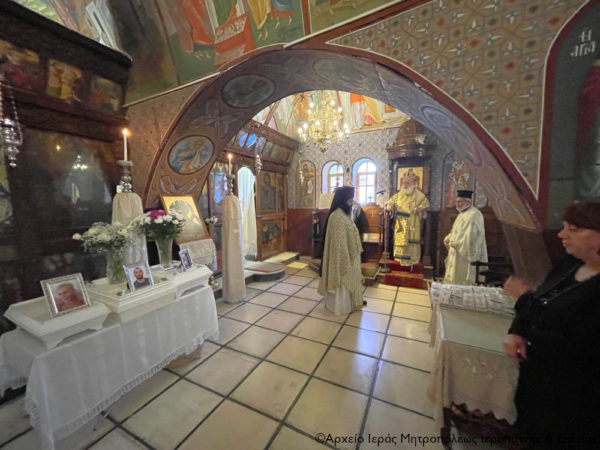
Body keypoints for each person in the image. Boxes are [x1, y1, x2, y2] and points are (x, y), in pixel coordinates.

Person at [503, 202, 600, 448]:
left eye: (574, 229)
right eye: (564, 226)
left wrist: (521, 298)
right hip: (538, 383)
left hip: (573, 397)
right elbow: (540, 300)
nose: (561, 234)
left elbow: (573, 339)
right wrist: (517, 331)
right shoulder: (571, 264)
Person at [317, 186, 364, 315]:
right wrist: (345, 259)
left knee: (351, 278)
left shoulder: (343, 214)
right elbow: (339, 243)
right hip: (343, 257)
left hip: (349, 254)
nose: (351, 203)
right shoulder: (337, 217)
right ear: (343, 200)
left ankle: (352, 302)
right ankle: (341, 306)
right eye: (350, 201)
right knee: (343, 278)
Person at [385, 168, 429, 266]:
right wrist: (389, 205)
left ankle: (412, 260)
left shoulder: (420, 195)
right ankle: (400, 259)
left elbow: (426, 203)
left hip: (413, 221)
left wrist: (421, 208)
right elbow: (390, 201)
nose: (405, 185)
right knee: (401, 242)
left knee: (411, 242)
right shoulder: (398, 195)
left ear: (414, 183)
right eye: (404, 182)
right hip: (401, 222)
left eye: (408, 183)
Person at [443, 189, 487, 285]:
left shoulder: (475, 214)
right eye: (456, 201)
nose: (457, 204)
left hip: (466, 253)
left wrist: (455, 241)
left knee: (462, 279)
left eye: (460, 202)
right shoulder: (462, 214)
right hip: (457, 250)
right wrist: (448, 238)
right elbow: (455, 231)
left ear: (467, 202)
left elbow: (472, 236)